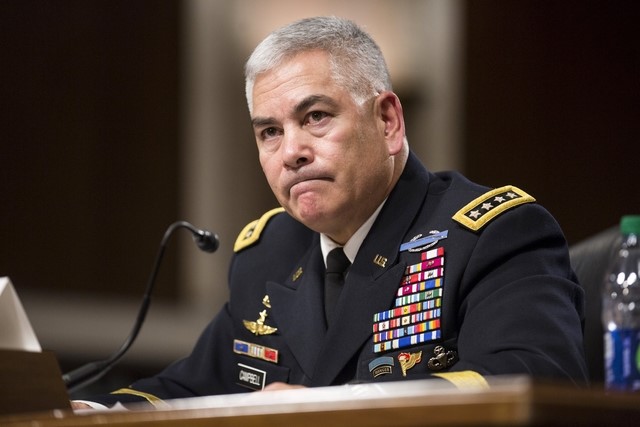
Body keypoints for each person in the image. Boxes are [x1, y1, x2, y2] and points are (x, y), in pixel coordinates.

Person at [74, 16, 587, 408]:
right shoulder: (269, 252)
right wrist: (95, 413)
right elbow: (192, 387)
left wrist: (326, 409)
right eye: (269, 132)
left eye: (315, 117)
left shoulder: (492, 235)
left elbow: (532, 381)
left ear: (387, 121)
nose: (290, 151)